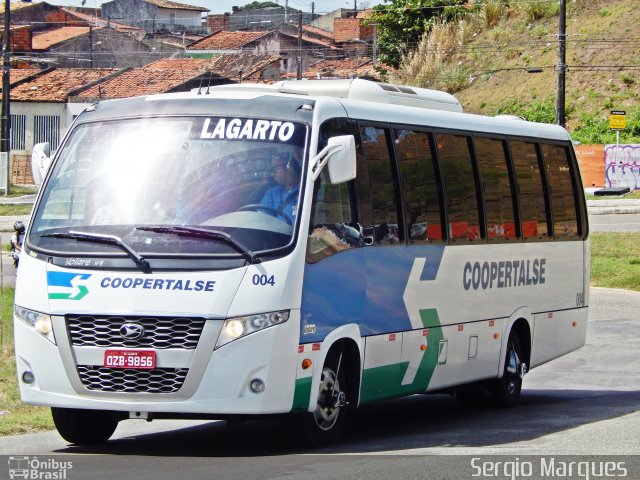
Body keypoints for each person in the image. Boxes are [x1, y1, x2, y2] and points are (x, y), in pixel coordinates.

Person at [259, 154, 301, 224]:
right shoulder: (272, 194)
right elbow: (261, 217)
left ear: (289, 168)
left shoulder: (305, 191)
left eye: (274, 170)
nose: (272, 174)